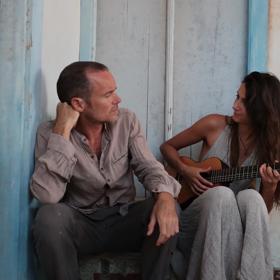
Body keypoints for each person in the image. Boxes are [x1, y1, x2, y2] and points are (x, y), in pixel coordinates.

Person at [30, 61, 181, 280]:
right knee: (48, 218)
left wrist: (166, 198)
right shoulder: (50, 133)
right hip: (83, 225)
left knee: (168, 206)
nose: (117, 100)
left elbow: (148, 166)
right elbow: (47, 195)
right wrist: (62, 132)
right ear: (78, 104)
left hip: (124, 220)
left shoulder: (126, 121)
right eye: (108, 94)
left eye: (115, 92)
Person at [160, 71, 280, 280]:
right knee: (222, 195)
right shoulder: (214, 125)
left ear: (260, 109)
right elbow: (167, 147)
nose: (235, 105)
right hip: (197, 221)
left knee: (250, 197)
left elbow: (262, 211)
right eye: (237, 97)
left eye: (244, 101)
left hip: (235, 231)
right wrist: (186, 170)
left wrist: (269, 187)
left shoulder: (269, 146)